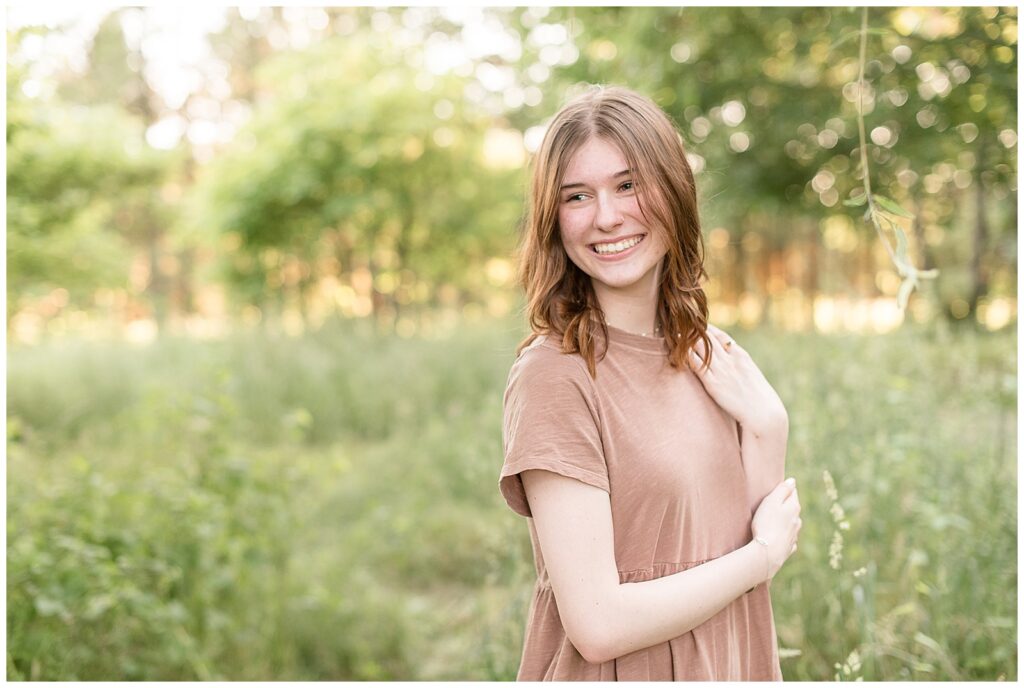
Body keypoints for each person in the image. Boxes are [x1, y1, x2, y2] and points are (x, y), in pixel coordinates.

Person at [498, 85, 802, 681]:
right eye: (577, 196)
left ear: (674, 190)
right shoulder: (556, 376)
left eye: (629, 184)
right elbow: (598, 625)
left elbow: (732, 560)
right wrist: (763, 556)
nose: (607, 216)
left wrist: (768, 426)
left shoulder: (706, 353)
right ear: (553, 220)